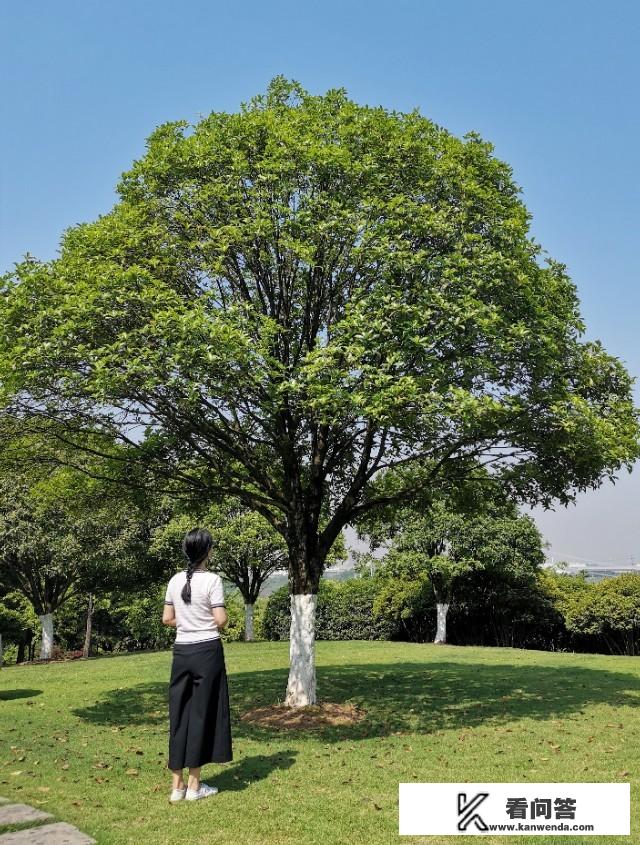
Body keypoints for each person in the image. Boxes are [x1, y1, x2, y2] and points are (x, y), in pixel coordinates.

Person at [162, 527, 233, 803]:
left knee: (179, 716)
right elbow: (221, 619)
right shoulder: (213, 580)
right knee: (201, 715)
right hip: (207, 652)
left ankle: (176, 788)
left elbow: (167, 618)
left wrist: (188, 621)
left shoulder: (174, 580)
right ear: (208, 552)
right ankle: (194, 787)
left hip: (181, 653)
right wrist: (203, 620)